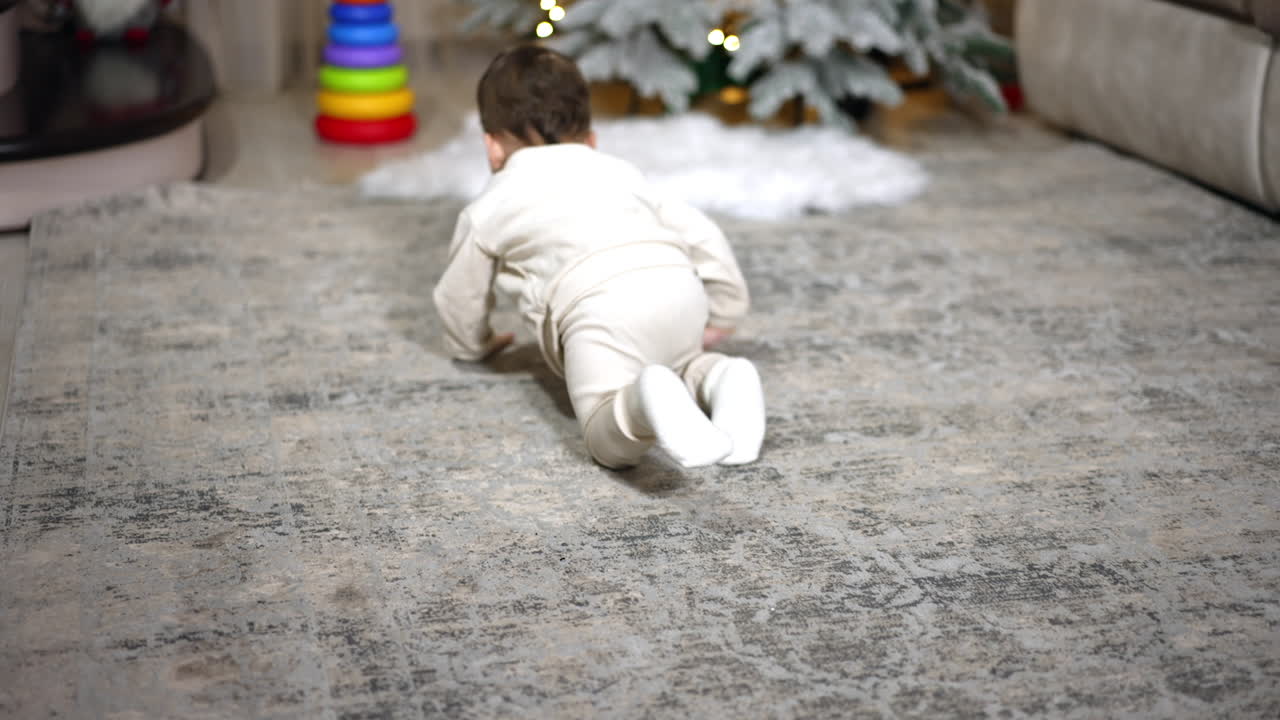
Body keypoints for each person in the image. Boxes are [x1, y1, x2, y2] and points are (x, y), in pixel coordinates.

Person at [432, 44, 765, 469]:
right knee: (683, 362)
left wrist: (472, 345)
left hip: (599, 313)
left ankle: (641, 401)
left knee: (605, 434)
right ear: (591, 140)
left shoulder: (489, 207)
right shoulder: (623, 173)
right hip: (676, 287)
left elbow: (459, 294)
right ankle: (722, 376)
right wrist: (724, 311)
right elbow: (702, 232)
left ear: (492, 148)